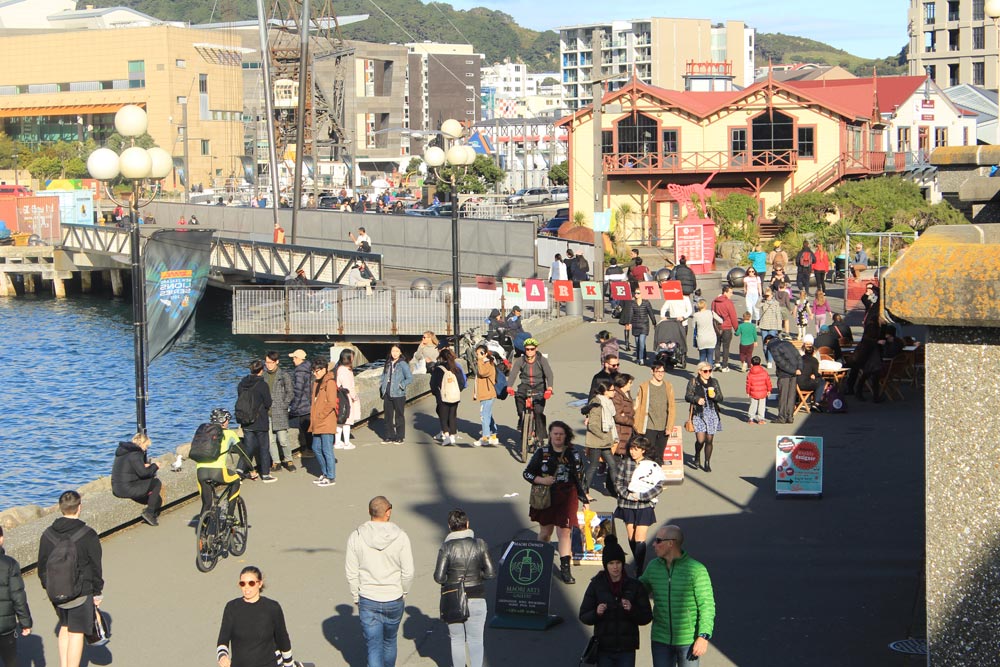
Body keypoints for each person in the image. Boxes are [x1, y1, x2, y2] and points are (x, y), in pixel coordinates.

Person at [345, 496, 414, 667]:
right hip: (394, 597)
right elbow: (408, 572)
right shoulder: (401, 537)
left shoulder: (356, 536)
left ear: (369, 512)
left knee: (373, 645)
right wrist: (403, 591)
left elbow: (351, 572)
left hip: (368, 598)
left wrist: (356, 595)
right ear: (388, 512)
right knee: (389, 641)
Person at [37, 491, 103, 667]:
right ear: (79, 508)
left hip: (56, 591)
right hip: (81, 592)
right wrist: (97, 592)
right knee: (76, 632)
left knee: (64, 627)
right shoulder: (88, 534)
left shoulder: (47, 534)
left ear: (60, 508)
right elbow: (96, 566)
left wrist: (49, 586)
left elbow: (41, 566)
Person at [522, 421, 591, 584]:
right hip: (547, 496)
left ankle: (565, 570)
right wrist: (541, 480)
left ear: (566, 435)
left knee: (564, 532)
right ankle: (540, 562)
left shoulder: (574, 454)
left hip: (567, 496)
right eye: (555, 433)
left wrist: (585, 499)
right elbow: (527, 474)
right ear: (550, 435)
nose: (558, 436)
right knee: (545, 533)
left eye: (561, 434)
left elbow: (581, 477)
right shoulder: (542, 453)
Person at [640, 524, 716, 667]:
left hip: (688, 640)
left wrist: (703, 636)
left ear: (670, 543)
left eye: (658, 540)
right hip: (660, 639)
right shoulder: (653, 567)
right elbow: (638, 590)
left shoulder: (696, 570)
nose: (654, 544)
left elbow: (707, 605)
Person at [433, 510, 496, 667]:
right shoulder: (480, 544)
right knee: (476, 640)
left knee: (457, 640)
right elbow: (490, 573)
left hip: (453, 599)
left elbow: (439, 577)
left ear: (450, 526)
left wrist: (453, 580)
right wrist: (477, 574)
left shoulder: (446, 547)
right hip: (476, 597)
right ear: (467, 524)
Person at [579, 533, 654, 666]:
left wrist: (632, 610)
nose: (615, 567)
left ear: (623, 563)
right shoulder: (596, 585)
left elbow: (647, 616)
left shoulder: (635, 586)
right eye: (611, 563)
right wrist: (597, 613)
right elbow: (584, 615)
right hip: (603, 648)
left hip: (627, 649)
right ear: (605, 565)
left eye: (618, 562)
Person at [216, 566, 296, 667]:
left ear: (259, 584)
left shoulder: (272, 608)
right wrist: (222, 656)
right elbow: (223, 638)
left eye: (251, 583)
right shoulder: (232, 607)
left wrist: (289, 664)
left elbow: (282, 639)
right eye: (242, 583)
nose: (246, 587)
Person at [612, 436, 667, 575]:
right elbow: (617, 483)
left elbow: (659, 485)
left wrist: (642, 497)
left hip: (645, 505)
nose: (633, 452)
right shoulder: (624, 463)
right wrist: (628, 495)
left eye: (636, 449)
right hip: (627, 503)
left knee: (640, 537)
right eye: (631, 448)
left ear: (643, 450)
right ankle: (638, 561)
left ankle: (639, 569)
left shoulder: (652, 465)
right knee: (631, 537)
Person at [196, 409, 246, 515]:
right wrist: (252, 471)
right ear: (223, 421)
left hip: (200, 472)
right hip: (218, 472)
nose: (228, 422)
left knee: (206, 504)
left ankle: (203, 530)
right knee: (236, 480)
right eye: (227, 420)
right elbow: (244, 454)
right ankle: (230, 515)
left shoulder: (204, 433)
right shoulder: (230, 434)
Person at [507, 338, 555, 444]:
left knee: (538, 411)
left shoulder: (541, 360)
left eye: (532, 349)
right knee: (518, 398)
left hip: (539, 386)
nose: (529, 351)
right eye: (527, 349)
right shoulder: (520, 360)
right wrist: (509, 387)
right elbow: (513, 374)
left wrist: (549, 388)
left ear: (536, 349)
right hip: (525, 384)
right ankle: (522, 419)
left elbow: (549, 374)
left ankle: (540, 435)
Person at [110, 432, 162, 526]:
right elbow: (144, 474)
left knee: (150, 489)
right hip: (126, 488)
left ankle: (150, 504)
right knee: (156, 483)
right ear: (142, 443)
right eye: (146, 446)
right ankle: (149, 513)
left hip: (117, 488)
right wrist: (155, 466)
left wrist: (144, 466)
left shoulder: (124, 451)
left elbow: (130, 468)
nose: (146, 449)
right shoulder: (136, 454)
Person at [0, 525, 32, 667]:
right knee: (10, 660)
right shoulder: (9, 564)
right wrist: (25, 622)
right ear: (1, 539)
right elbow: (18, 596)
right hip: (5, 625)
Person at [238, 360, 274, 482]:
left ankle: (240, 469)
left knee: (248, 447)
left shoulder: (242, 383)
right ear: (261, 370)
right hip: (260, 420)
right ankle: (265, 474)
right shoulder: (262, 385)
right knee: (264, 447)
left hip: (246, 420)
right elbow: (268, 402)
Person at [633, 363, 675, 464]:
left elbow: (672, 407)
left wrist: (669, 426)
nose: (660, 374)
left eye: (662, 371)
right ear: (652, 372)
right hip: (648, 426)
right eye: (658, 371)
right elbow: (638, 406)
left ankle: (657, 475)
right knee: (648, 453)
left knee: (660, 454)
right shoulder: (644, 386)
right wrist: (636, 424)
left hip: (663, 426)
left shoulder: (668, 386)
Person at [583, 381, 620, 497]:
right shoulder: (597, 403)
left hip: (605, 441)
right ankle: (584, 490)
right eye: (612, 390)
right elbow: (592, 424)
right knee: (593, 466)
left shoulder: (608, 402)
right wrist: (603, 436)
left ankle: (617, 490)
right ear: (604, 391)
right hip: (597, 441)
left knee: (612, 464)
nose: (614, 392)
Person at [685, 363, 723, 472]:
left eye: (710, 370)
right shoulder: (693, 382)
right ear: (699, 371)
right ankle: (697, 455)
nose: (708, 373)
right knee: (700, 440)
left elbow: (721, 397)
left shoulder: (714, 382)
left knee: (709, 440)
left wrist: (714, 396)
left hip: (712, 413)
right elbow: (688, 396)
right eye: (705, 371)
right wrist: (696, 399)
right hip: (699, 414)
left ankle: (707, 462)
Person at [308, 357, 339, 487]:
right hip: (317, 421)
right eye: (314, 371)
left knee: (327, 449)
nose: (316, 373)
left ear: (325, 369)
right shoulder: (316, 383)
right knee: (316, 448)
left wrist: (321, 415)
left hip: (326, 421)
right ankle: (325, 473)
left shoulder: (330, 382)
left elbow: (331, 402)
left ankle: (330, 476)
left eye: (318, 370)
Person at [263, 351, 295, 472]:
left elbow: (290, 392)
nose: (268, 365)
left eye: (271, 362)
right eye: (266, 362)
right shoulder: (264, 376)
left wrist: (284, 404)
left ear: (276, 362)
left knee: (283, 439)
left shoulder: (284, 375)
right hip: (267, 412)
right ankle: (276, 462)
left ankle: (288, 459)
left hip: (280, 411)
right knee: (270, 440)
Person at [430, 348, 466, 446]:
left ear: (441, 357)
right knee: (452, 415)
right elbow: (462, 382)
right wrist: (457, 390)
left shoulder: (439, 369)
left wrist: (436, 393)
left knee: (443, 416)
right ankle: (452, 435)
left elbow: (433, 384)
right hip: (454, 396)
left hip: (442, 396)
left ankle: (446, 435)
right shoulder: (456, 368)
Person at [766, 334, 803, 424]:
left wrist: (793, 371)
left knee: (783, 396)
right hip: (795, 373)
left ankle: (782, 417)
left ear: (768, 341)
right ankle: (790, 416)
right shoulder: (788, 343)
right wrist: (799, 369)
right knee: (791, 396)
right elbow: (798, 356)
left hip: (784, 374)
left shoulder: (773, 347)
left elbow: (781, 363)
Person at [380, 344, 413, 444]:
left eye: (397, 351)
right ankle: (389, 435)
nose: (394, 353)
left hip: (398, 393)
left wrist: (401, 385)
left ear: (400, 352)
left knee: (399, 416)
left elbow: (410, 378)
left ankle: (399, 436)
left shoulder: (403, 364)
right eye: (393, 351)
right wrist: (382, 385)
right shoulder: (388, 363)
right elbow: (383, 375)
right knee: (388, 416)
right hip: (387, 392)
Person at [287, 350, 313, 458]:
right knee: (308, 429)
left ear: (299, 358)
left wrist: (294, 406)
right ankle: (310, 449)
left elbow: (298, 390)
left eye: (294, 358)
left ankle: (307, 451)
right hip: (308, 402)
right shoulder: (308, 369)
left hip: (302, 404)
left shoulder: (299, 372)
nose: (293, 360)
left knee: (303, 430)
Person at [334, 349, 361, 450]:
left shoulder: (339, 368)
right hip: (346, 398)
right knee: (347, 421)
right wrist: (355, 397)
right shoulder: (345, 371)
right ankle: (346, 442)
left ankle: (337, 441)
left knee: (339, 421)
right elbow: (349, 387)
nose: (353, 358)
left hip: (339, 397)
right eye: (352, 356)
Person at [473, 342, 499, 447]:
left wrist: (480, 360)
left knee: (484, 415)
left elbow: (483, 373)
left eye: (479, 354)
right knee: (488, 414)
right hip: (485, 393)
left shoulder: (487, 363)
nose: (477, 356)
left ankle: (486, 437)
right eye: (477, 354)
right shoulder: (484, 362)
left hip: (487, 394)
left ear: (485, 354)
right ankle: (493, 433)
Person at [711, 286, 739, 371]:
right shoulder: (728, 302)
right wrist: (736, 328)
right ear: (725, 292)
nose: (732, 294)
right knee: (726, 347)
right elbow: (733, 316)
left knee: (717, 345)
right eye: (730, 292)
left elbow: (712, 313)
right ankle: (725, 365)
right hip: (726, 326)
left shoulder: (714, 301)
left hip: (717, 326)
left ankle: (716, 363)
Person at [625, 292, 657, 366]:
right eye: (635, 293)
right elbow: (630, 314)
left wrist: (654, 323)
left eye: (638, 293)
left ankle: (641, 359)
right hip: (635, 325)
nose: (636, 295)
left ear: (642, 294)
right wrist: (629, 323)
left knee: (641, 341)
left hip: (644, 325)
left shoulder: (646, 303)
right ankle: (641, 356)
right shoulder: (633, 303)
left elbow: (651, 313)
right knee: (637, 343)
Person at [797, 335, 826, 410]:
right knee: (820, 382)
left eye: (810, 345)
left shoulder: (800, 358)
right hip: (806, 381)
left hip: (798, 382)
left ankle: (807, 401)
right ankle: (816, 402)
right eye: (807, 344)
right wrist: (816, 375)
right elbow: (816, 373)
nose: (808, 346)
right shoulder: (813, 360)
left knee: (812, 380)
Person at [691, 299, 721, 367]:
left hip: (701, 338)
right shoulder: (711, 313)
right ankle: (709, 374)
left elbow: (693, 326)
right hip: (711, 338)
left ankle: (701, 373)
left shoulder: (696, 315)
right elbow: (720, 320)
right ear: (705, 305)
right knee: (710, 357)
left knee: (702, 357)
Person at [757, 289, 782, 369]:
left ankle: (770, 361)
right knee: (765, 346)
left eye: (768, 295)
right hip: (764, 325)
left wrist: (779, 328)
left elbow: (778, 316)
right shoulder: (763, 302)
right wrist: (762, 297)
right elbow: (756, 306)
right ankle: (767, 359)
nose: (767, 297)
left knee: (771, 344)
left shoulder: (776, 303)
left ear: (772, 295)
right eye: (766, 295)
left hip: (773, 326)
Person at [612, 373, 636, 455]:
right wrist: (631, 421)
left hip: (627, 430)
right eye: (630, 383)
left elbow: (629, 411)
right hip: (620, 431)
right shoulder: (616, 396)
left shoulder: (627, 394)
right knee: (617, 456)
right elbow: (618, 417)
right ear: (623, 383)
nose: (631, 385)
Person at [745, 355, 772, 424]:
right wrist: (769, 390)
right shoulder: (764, 372)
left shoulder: (750, 373)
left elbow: (748, 384)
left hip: (753, 392)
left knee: (753, 405)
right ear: (760, 363)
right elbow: (768, 382)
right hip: (763, 392)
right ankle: (761, 419)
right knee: (762, 406)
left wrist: (748, 392)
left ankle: (751, 418)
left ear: (751, 364)